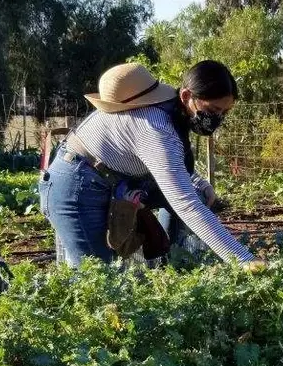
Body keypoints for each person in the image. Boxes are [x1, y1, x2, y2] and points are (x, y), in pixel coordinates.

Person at [39, 60, 260, 269]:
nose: (218, 118)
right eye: (212, 110)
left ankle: (168, 265)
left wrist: (198, 182)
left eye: (225, 112)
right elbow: (186, 203)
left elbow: (168, 161)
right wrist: (242, 260)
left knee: (195, 194)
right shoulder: (154, 125)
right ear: (186, 96)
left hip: (111, 177)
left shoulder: (170, 108)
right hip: (76, 186)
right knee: (97, 278)